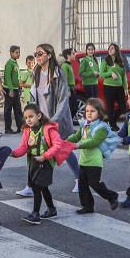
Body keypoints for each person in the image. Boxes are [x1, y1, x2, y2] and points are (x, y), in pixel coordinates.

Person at [11, 103, 74, 224]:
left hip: (45, 162)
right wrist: (13, 153)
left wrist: (45, 156)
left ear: (39, 115)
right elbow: (23, 147)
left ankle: (35, 214)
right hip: (34, 162)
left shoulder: (48, 129)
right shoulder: (27, 130)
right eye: (26, 117)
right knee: (43, 187)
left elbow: (58, 144)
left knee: (36, 187)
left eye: (31, 116)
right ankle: (51, 209)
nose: (28, 120)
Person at [31, 44, 80, 190]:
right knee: (36, 151)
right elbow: (34, 95)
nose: (37, 56)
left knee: (65, 150)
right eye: (36, 53)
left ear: (49, 55)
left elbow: (63, 100)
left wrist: (54, 120)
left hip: (56, 120)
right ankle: (31, 184)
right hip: (41, 120)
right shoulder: (37, 71)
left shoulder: (58, 73)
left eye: (40, 53)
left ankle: (80, 178)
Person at [67, 99, 121, 215]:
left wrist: (78, 145)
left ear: (99, 112)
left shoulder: (102, 127)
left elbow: (94, 142)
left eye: (93, 111)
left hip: (95, 160)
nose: (89, 113)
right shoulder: (85, 124)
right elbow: (77, 136)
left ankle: (112, 196)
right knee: (82, 185)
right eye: (87, 111)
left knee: (94, 183)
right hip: (84, 160)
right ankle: (87, 206)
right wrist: (64, 142)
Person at [100, 44, 128, 131]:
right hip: (108, 87)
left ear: (116, 50)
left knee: (123, 107)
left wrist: (126, 88)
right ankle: (112, 124)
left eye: (112, 48)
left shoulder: (120, 61)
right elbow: (101, 74)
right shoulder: (105, 61)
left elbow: (124, 76)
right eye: (109, 48)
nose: (110, 50)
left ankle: (113, 121)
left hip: (119, 87)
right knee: (110, 107)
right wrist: (110, 74)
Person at [2, 45, 23, 134]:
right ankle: (8, 128)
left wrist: (19, 87)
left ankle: (20, 127)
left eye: (19, 52)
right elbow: (8, 77)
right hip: (9, 90)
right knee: (8, 109)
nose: (18, 54)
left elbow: (17, 77)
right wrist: (10, 90)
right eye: (16, 52)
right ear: (11, 53)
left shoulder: (16, 63)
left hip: (16, 89)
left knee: (18, 109)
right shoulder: (9, 63)